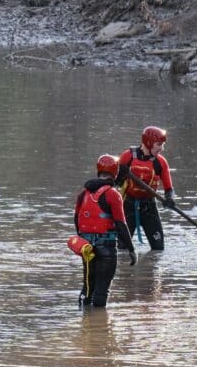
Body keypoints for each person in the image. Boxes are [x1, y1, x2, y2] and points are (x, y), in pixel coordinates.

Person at [74, 154, 137, 308]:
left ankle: (83, 318)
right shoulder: (113, 194)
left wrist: (82, 240)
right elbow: (121, 224)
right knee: (101, 291)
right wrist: (131, 249)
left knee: (87, 287)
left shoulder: (83, 194)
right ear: (115, 173)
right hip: (107, 248)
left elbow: (77, 220)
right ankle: (98, 326)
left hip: (87, 248)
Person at [117, 126, 175, 250]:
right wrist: (121, 174)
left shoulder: (161, 162)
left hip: (149, 207)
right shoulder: (127, 157)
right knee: (121, 249)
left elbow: (169, 188)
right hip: (128, 205)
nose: (161, 148)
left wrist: (169, 198)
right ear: (148, 142)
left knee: (158, 249)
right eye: (159, 144)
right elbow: (116, 184)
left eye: (162, 144)